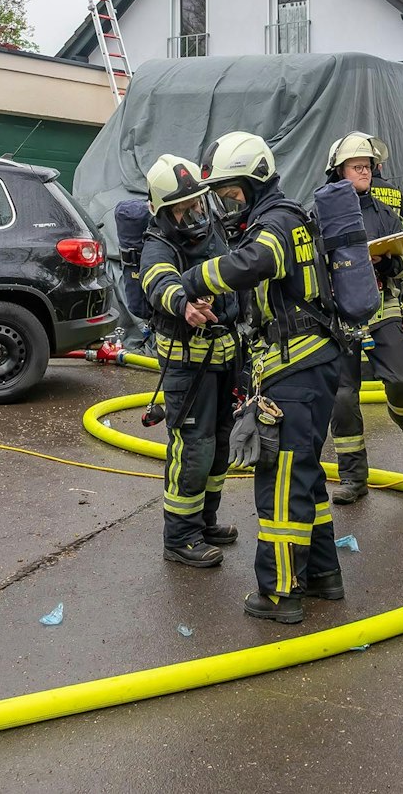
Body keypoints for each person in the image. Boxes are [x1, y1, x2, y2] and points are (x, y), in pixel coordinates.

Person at [182, 132, 344, 624]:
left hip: (294, 371)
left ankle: (279, 594)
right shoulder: (286, 216)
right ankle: (322, 575)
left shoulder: (273, 223)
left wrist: (195, 278)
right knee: (305, 478)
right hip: (311, 364)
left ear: (254, 182)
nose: (225, 203)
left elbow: (255, 263)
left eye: (231, 192)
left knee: (279, 484)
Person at [138, 154, 242, 568]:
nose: (194, 216)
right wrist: (183, 304)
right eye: (182, 212)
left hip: (225, 361)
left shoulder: (215, 230)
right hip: (188, 368)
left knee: (219, 447)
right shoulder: (158, 245)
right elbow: (157, 281)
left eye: (198, 205)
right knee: (193, 450)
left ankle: (204, 522)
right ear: (163, 215)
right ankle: (179, 537)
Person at [325, 132, 403, 504]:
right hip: (339, 314)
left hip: (383, 306)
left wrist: (391, 260)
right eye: (357, 166)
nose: (365, 171)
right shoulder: (320, 213)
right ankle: (354, 477)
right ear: (338, 171)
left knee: (402, 377)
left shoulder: (385, 213)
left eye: (367, 166)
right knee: (343, 397)